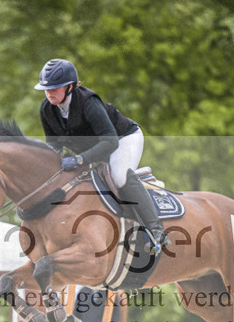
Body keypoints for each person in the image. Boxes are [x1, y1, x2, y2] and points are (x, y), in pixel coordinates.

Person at [35, 58, 169, 253]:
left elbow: (110, 142)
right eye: (46, 88)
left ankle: (156, 230)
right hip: (97, 148)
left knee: (119, 176)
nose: (49, 92)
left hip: (123, 138)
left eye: (55, 88)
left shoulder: (88, 103)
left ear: (70, 87)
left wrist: (80, 159)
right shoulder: (46, 109)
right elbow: (54, 144)